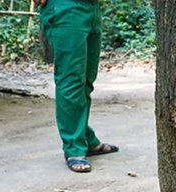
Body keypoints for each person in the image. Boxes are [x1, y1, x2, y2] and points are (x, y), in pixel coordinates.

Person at [36, 0, 118, 173]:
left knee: (86, 81)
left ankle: (86, 139)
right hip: (65, 8)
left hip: (92, 7)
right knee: (71, 81)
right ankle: (74, 148)